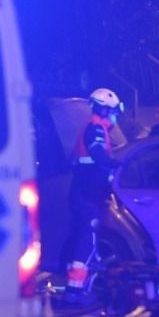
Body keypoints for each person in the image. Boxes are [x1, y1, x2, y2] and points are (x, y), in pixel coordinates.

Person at [68, 88, 121, 267]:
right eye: (113, 111)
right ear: (104, 109)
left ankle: (85, 276)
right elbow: (99, 155)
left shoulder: (97, 128)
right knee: (89, 232)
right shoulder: (95, 129)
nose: (115, 116)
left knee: (90, 233)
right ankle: (77, 284)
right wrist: (117, 163)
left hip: (88, 190)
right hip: (86, 191)